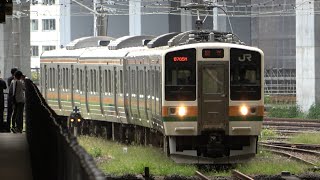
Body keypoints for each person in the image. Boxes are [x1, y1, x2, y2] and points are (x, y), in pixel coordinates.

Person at [6, 67, 18, 132]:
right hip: (15, 98)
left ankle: (8, 127)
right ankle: (14, 126)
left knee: (9, 113)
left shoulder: (8, 79)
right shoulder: (16, 80)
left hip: (9, 98)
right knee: (15, 113)